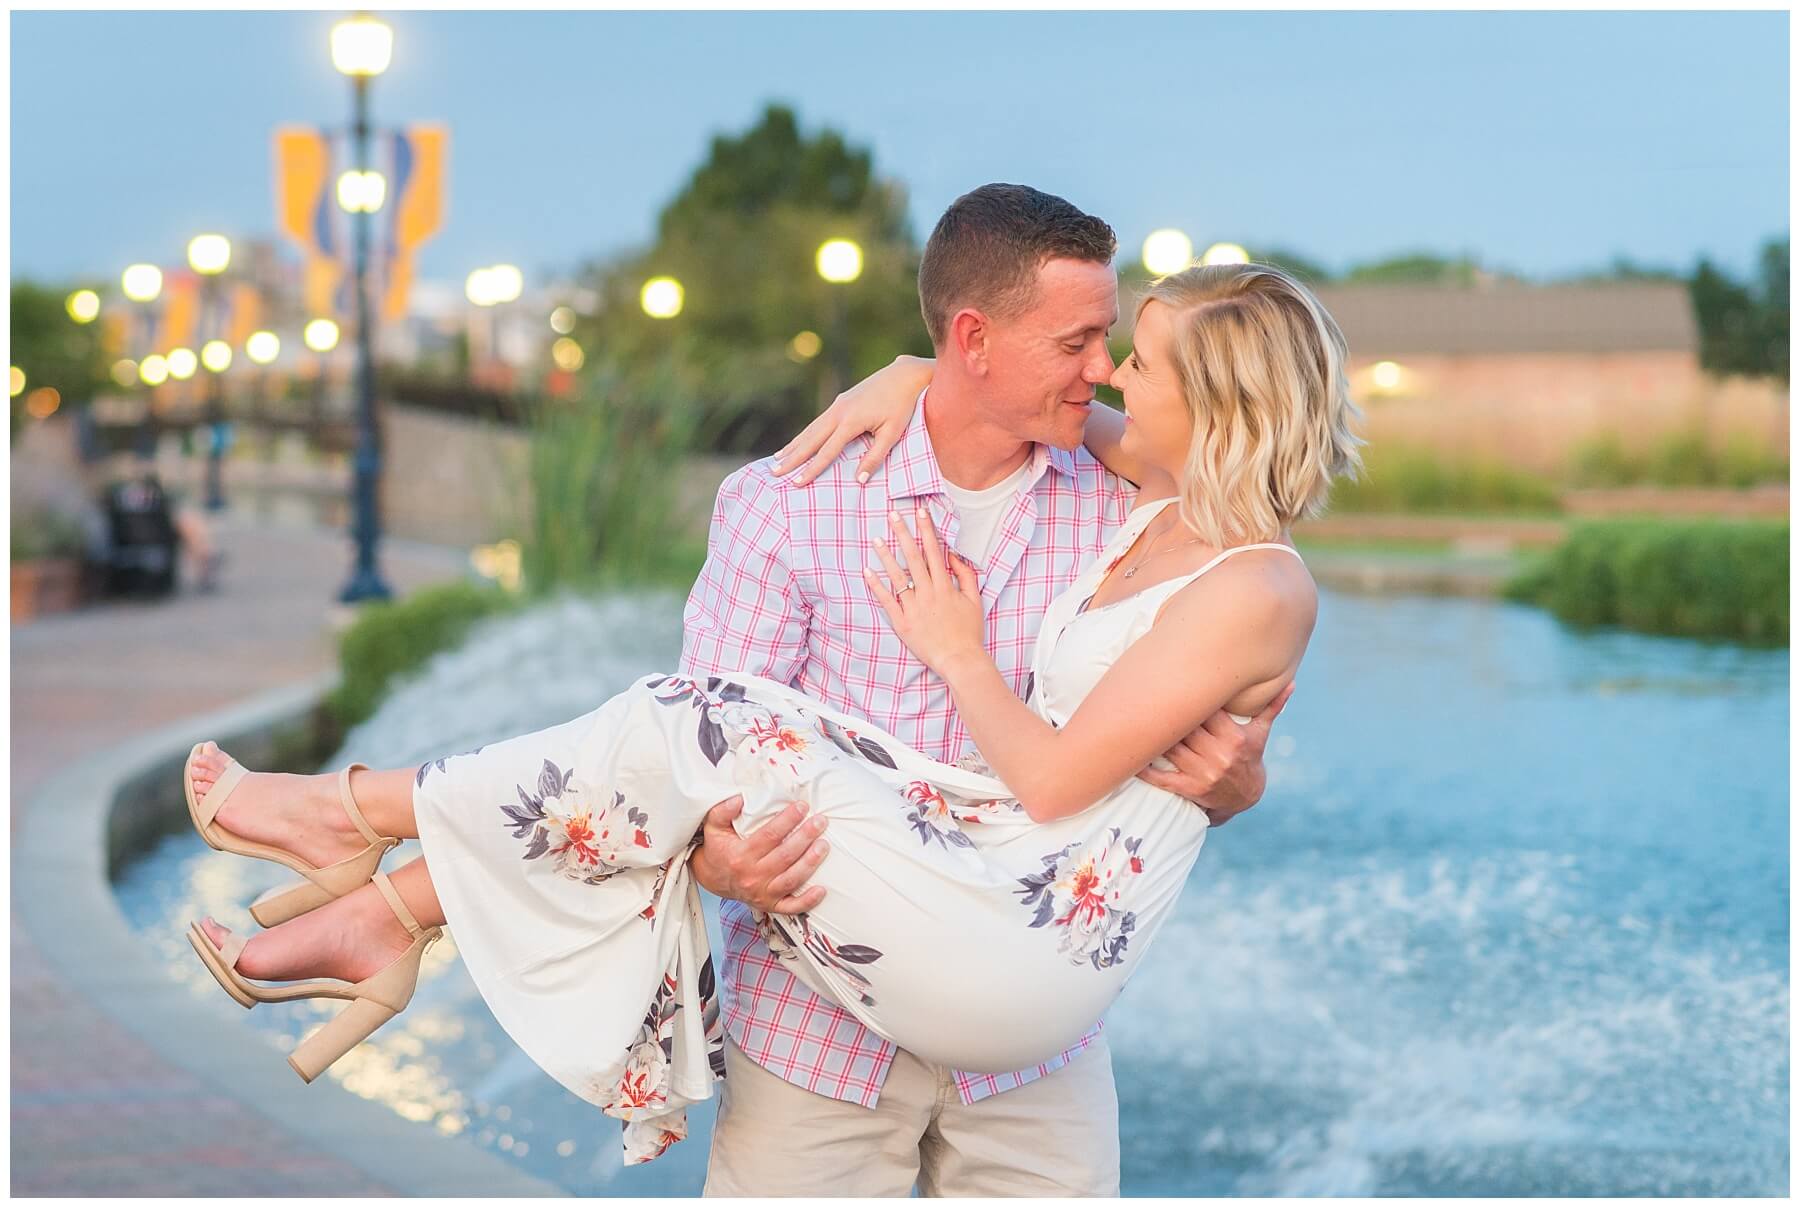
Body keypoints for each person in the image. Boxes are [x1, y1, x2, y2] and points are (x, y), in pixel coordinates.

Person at [179, 185, 1359, 1192]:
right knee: (700, 723)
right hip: (821, 1029)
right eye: (1081, 344)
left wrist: (1234, 778)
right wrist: (715, 859)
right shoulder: (795, 502)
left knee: (705, 722)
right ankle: (384, 892)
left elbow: (1162, 710)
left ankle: (372, 852)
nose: (1104, 373)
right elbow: (675, 792)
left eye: (1122, 351)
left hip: (1030, 1043)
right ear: (971, 336)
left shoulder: (1125, 492)